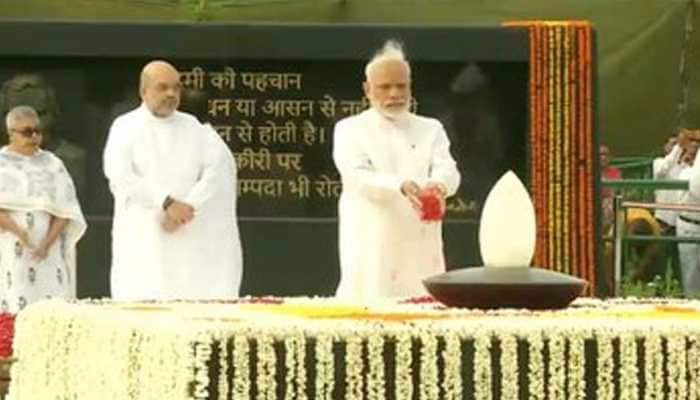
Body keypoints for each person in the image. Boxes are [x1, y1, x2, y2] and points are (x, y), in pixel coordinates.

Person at [103, 60, 242, 301]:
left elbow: (219, 169)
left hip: (189, 234)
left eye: (176, 88)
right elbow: (120, 175)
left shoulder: (193, 127)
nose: (171, 94)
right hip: (144, 234)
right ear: (143, 91)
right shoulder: (125, 126)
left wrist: (189, 206)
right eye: (163, 87)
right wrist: (167, 203)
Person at [332, 40, 461, 300]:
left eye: (401, 86)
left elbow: (448, 168)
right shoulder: (349, 129)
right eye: (385, 87)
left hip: (420, 241)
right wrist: (400, 185)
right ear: (367, 90)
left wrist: (439, 185)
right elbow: (358, 176)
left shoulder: (430, 128)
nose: (394, 94)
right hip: (372, 241)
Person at [0, 106, 86, 312]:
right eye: (27, 132)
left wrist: (46, 243)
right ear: (11, 133)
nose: (34, 136)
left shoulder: (53, 163)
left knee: (52, 305)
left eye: (38, 131)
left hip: (50, 248)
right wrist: (20, 234)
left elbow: (65, 209)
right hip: (11, 246)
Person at [0, 74, 87, 197]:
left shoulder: (73, 159)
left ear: (55, 113)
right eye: (18, 116)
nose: (28, 125)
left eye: (39, 113)